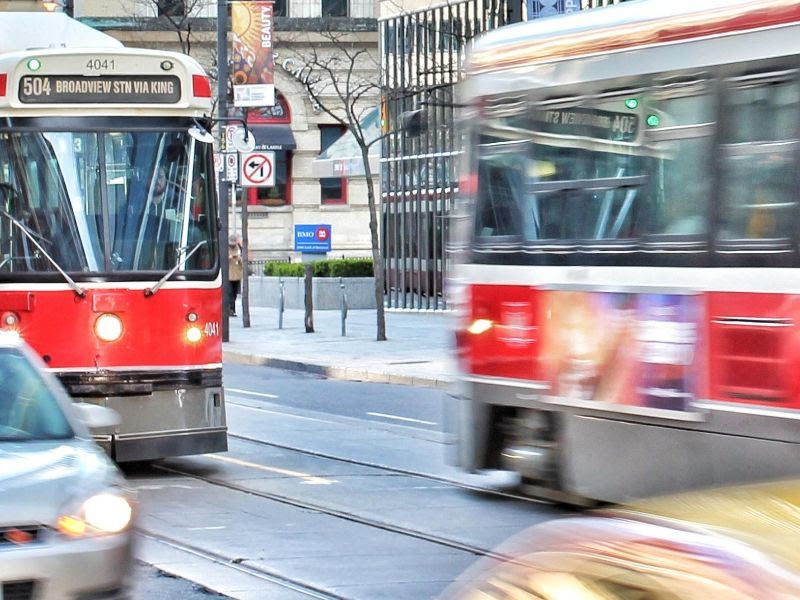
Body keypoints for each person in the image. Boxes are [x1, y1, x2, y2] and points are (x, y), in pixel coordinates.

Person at [228, 236, 243, 316]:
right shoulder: (226, 248)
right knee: (229, 293)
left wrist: (240, 259)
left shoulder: (239, 248)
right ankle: (230, 309)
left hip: (237, 275)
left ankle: (232, 309)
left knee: (234, 293)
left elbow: (242, 261)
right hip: (229, 275)